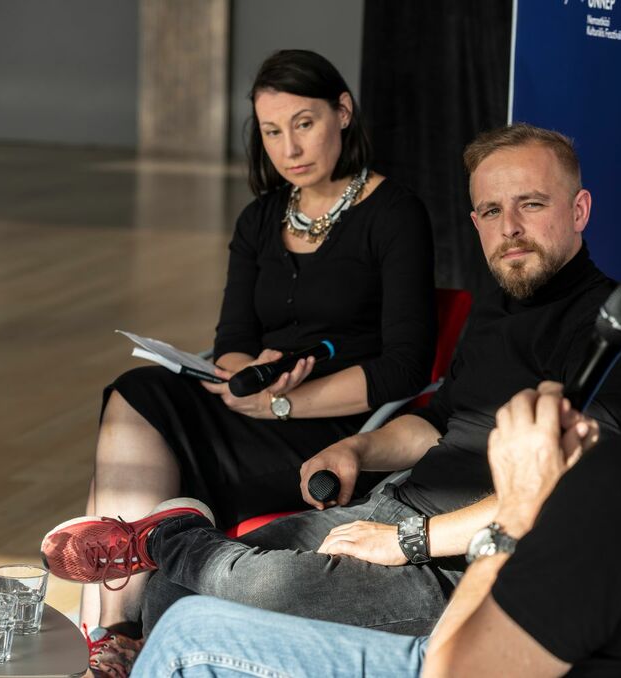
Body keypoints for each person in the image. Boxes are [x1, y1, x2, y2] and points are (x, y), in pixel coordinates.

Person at [126, 93, 621, 677]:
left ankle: (166, 541)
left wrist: (515, 513)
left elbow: (454, 669)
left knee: (193, 633)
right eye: (489, 210)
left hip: (474, 629)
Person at [42, 123, 621, 662]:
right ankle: (166, 570)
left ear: (579, 210)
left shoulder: (612, 330)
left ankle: (161, 536)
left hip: (465, 565)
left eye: (531, 204)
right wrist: (356, 451)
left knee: (247, 586)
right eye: (492, 212)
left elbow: (557, 495)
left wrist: (404, 542)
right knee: (167, 593)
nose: (511, 229)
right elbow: (438, 423)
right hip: (395, 509)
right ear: (475, 222)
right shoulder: (499, 311)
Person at [73, 49, 437, 675]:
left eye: (303, 122)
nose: (289, 146)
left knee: (136, 438)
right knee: (137, 391)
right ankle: (114, 633)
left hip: (335, 432)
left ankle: (115, 629)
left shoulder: (395, 212)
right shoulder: (261, 218)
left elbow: (405, 366)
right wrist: (248, 375)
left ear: (342, 113)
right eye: (272, 130)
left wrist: (286, 401)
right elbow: (232, 336)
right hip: (247, 406)